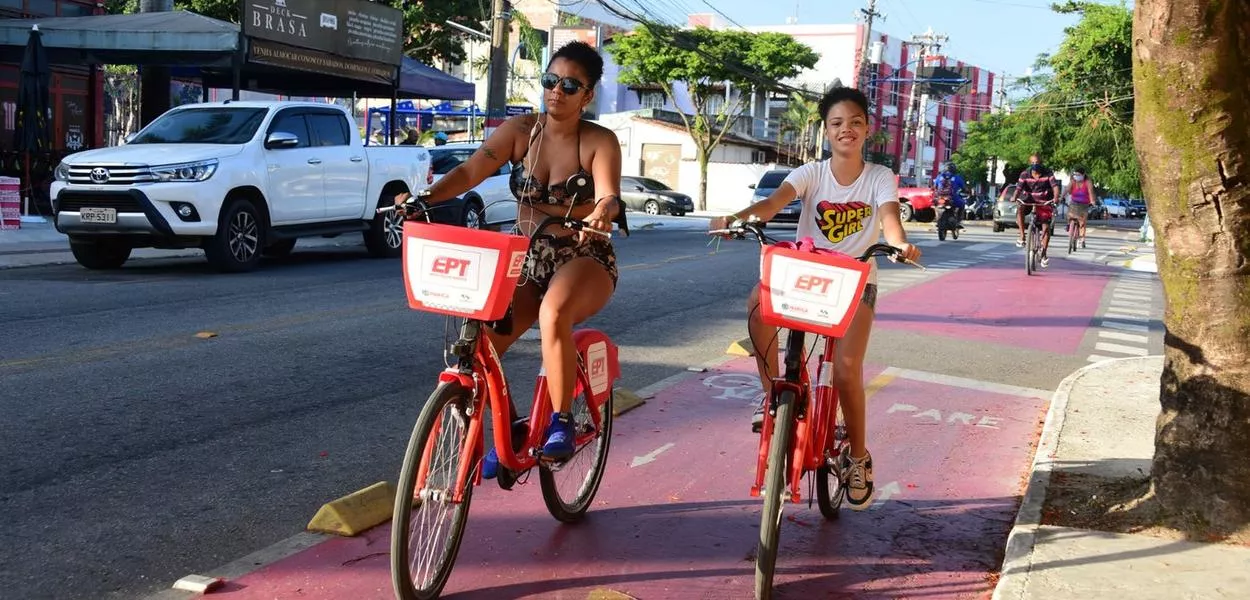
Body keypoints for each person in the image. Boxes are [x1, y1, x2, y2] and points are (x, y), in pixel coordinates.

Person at [393, 41, 627, 473]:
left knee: (554, 313)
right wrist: (423, 198)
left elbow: (609, 195)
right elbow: (469, 171)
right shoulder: (520, 131)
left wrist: (601, 212)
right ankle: (513, 427)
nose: (556, 91)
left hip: (584, 255)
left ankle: (561, 422)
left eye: (570, 85)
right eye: (551, 81)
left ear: (587, 95)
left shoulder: (599, 141)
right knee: (482, 345)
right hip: (525, 258)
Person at [708, 87, 921, 510]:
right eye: (837, 123)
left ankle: (857, 457)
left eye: (855, 122)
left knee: (846, 369)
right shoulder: (811, 173)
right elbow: (772, 204)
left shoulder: (879, 176)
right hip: (807, 274)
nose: (847, 130)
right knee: (758, 305)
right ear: (826, 130)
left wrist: (899, 244)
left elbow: (890, 218)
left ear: (867, 129)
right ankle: (773, 393)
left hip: (856, 281)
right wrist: (735, 219)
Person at [1011, 154, 1061, 268]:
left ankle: (1044, 254)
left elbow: (1055, 187)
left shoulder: (1048, 173)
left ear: (1041, 163)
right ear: (1030, 164)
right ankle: (1022, 236)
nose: (1035, 165)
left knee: (1046, 227)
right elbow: (1018, 188)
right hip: (1028, 199)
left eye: (1037, 163)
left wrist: (1056, 197)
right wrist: (1014, 197)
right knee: (1020, 208)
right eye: (1033, 163)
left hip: (1044, 201)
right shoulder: (1024, 174)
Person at [1064, 167, 1096, 249]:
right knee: (1069, 215)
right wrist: (1061, 197)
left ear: (1083, 175)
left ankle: (1081, 239)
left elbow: (1090, 192)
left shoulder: (1087, 182)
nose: (1076, 176)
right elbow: (1067, 189)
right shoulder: (1073, 181)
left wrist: (1092, 201)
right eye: (1075, 174)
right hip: (1074, 203)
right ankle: (1069, 225)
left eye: (1078, 175)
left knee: (1082, 222)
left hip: (1084, 205)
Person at [932, 162, 966, 228]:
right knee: (962, 204)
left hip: (940, 198)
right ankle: (958, 221)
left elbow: (934, 187)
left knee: (935, 205)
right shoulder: (957, 177)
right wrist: (966, 191)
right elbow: (964, 188)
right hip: (953, 198)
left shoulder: (939, 176)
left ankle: (938, 220)